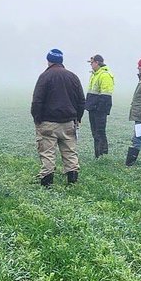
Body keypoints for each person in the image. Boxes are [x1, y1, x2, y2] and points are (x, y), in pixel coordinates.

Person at [31, 48, 86, 185]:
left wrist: (37, 119)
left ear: (49, 61)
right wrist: (78, 118)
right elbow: (81, 100)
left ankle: (47, 182)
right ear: (61, 61)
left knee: (47, 153)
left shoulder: (45, 77)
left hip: (48, 122)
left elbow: (37, 101)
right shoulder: (73, 77)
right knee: (70, 152)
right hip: (69, 122)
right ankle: (72, 180)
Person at [83, 53, 115, 157]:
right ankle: (98, 154)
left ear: (97, 62)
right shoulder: (95, 74)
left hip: (99, 110)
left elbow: (106, 96)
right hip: (93, 108)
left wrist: (99, 109)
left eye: (92, 63)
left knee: (100, 132)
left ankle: (102, 154)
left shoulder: (104, 75)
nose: (91, 65)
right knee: (95, 133)